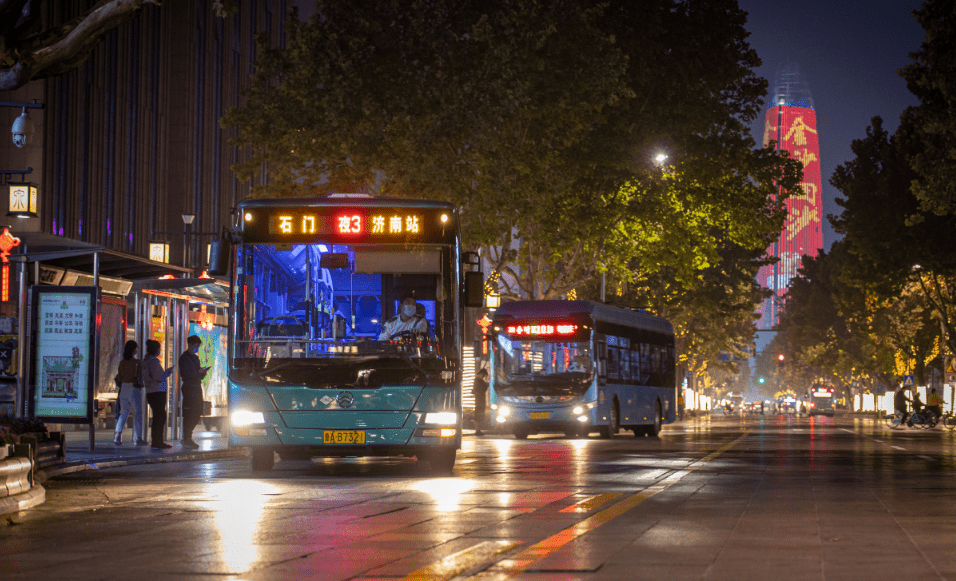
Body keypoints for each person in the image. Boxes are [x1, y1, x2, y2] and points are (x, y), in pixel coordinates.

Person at [143, 340, 175, 449]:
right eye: (159, 348)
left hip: (151, 392)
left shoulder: (146, 361)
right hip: (157, 392)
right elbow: (158, 377)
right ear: (156, 349)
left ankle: (156, 440)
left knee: (158, 417)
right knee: (160, 417)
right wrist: (167, 372)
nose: (159, 350)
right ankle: (158, 441)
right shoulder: (153, 362)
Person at [179, 335, 209, 449]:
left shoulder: (195, 358)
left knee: (197, 413)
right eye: (196, 346)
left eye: (198, 346)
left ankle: (188, 436)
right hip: (189, 387)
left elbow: (197, 373)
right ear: (190, 345)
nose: (197, 348)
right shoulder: (184, 358)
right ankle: (187, 438)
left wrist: (202, 372)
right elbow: (185, 374)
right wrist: (198, 372)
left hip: (197, 386)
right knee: (189, 414)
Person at [114, 340, 146, 446]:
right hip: (133, 388)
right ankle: (139, 438)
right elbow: (140, 376)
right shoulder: (136, 362)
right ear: (134, 350)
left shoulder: (122, 363)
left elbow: (119, 377)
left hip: (123, 388)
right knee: (137, 413)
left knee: (123, 413)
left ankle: (117, 435)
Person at [473, 368, 489, 436]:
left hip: (479, 399)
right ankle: (477, 430)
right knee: (478, 415)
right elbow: (482, 389)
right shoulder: (478, 380)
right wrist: (486, 385)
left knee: (478, 415)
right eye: (483, 375)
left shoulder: (477, 380)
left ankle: (478, 430)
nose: (483, 376)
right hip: (480, 399)